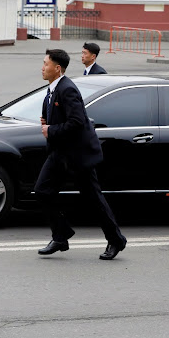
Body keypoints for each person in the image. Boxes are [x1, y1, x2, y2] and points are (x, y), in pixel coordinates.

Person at [34, 49, 127, 260]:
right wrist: (48, 123)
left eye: (45, 63)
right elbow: (59, 115)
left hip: (77, 155)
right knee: (42, 191)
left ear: (57, 68)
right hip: (59, 153)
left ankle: (116, 240)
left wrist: (51, 130)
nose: (42, 67)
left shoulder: (67, 89)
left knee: (94, 199)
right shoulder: (52, 89)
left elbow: (77, 122)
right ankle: (61, 235)